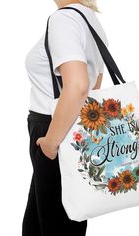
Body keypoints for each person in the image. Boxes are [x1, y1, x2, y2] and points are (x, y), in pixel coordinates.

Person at [22, 0, 109, 235]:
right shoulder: (88, 18)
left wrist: (50, 143)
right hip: (74, 127)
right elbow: (94, 87)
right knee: (49, 222)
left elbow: (79, 85)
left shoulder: (64, 20)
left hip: (54, 131)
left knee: (54, 225)